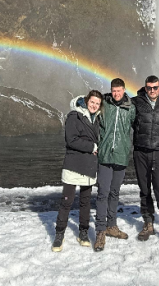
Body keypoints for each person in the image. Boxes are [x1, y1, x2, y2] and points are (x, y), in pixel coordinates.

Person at [52, 90, 103, 252]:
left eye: (97, 103)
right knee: (66, 201)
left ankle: (83, 232)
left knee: (85, 202)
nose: (94, 105)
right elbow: (71, 140)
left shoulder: (97, 119)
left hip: (89, 166)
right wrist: (92, 147)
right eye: (92, 102)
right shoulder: (74, 116)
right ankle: (59, 234)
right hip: (73, 165)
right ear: (86, 101)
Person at [132, 75, 159, 247]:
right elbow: (119, 106)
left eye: (155, 87)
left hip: (158, 151)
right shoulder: (137, 101)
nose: (152, 90)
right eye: (149, 88)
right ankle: (148, 223)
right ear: (145, 88)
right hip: (140, 151)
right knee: (144, 190)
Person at [93, 78, 136, 252]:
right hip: (105, 155)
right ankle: (100, 231)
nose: (116, 93)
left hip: (121, 156)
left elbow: (142, 126)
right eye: (114, 90)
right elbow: (86, 107)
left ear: (124, 90)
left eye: (119, 90)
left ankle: (112, 226)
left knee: (114, 193)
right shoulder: (104, 104)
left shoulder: (131, 108)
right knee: (102, 193)